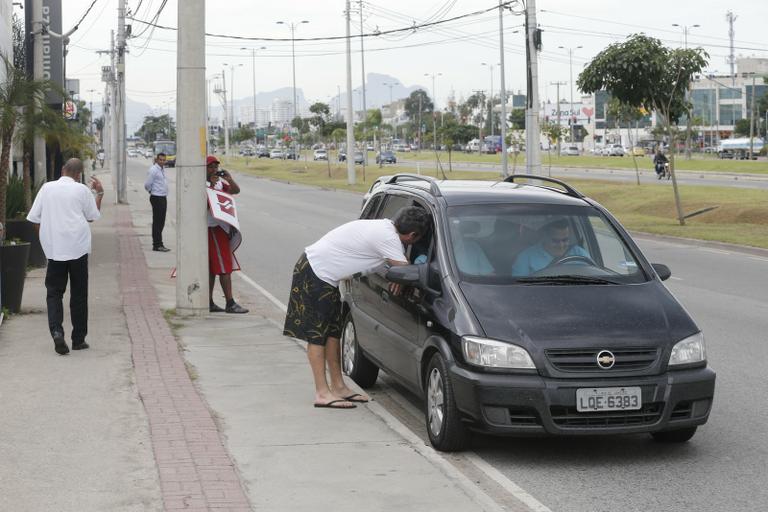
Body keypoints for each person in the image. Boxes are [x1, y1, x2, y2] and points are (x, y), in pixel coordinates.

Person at [283, 206, 430, 409]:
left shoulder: (384, 231)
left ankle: (338, 386)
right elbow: (405, 269)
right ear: (413, 235)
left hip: (326, 277)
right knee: (317, 335)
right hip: (315, 273)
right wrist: (403, 275)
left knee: (333, 334)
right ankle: (322, 393)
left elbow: (391, 268)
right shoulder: (388, 238)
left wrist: (399, 273)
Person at [26, 158, 104, 355]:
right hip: (78, 248)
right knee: (79, 294)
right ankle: (78, 340)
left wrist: (46, 238)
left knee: (54, 293)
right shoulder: (82, 190)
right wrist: (100, 193)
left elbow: (34, 218)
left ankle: (56, 332)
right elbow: (91, 216)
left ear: (63, 170)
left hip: (55, 251)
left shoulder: (46, 188)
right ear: (78, 175)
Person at [206, 155, 249, 314]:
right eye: (211, 167)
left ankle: (209, 301)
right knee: (224, 267)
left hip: (222, 229)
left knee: (212, 269)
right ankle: (229, 302)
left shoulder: (219, 184)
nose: (214, 170)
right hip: (213, 229)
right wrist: (210, 184)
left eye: (216, 167)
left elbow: (235, 190)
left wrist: (228, 179)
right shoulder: (203, 185)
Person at [511, 218, 589, 276]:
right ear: (545, 237)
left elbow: (593, 275)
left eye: (565, 240)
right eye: (555, 241)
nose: (561, 246)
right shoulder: (525, 258)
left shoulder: (579, 254)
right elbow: (518, 289)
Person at [144, 152, 170, 252]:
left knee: (161, 222)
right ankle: (157, 245)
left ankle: (159, 243)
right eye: (161, 160)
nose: (162, 161)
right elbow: (147, 184)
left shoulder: (162, 169)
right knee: (158, 222)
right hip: (157, 197)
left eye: (164, 160)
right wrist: (151, 191)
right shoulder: (153, 170)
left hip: (162, 197)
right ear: (157, 160)